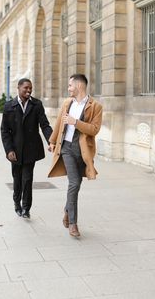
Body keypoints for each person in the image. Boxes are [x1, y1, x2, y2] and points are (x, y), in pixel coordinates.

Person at [48, 74, 102, 237]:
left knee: (76, 183)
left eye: (70, 85)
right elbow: (59, 122)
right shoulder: (67, 103)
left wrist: (75, 122)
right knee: (74, 183)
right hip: (67, 148)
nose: (68, 88)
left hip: (83, 150)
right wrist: (52, 141)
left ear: (79, 86)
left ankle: (67, 209)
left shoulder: (95, 106)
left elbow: (94, 129)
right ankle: (73, 223)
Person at [1, 78, 52, 218]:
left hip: (31, 149)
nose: (29, 90)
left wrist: (51, 141)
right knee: (17, 179)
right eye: (26, 88)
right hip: (15, 151)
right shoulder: (9, 106)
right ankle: (17, 204)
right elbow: (5, 131)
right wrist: (9, 150)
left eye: (31, 88)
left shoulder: (36, 105)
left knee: (28, 179)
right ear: (18, 88)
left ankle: (26, 209)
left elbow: (45, 125)